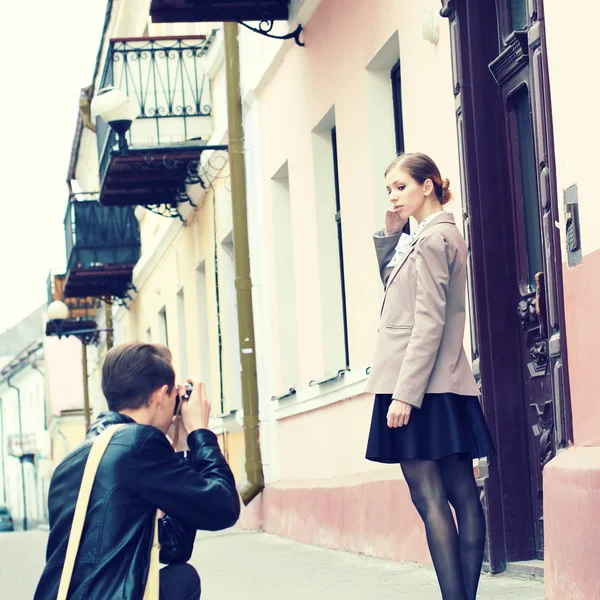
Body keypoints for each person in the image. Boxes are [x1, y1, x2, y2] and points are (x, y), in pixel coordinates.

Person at [365, 153, 495, 600]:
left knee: (431, 499)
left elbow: (427, 321)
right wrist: (389, 234)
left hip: (419, 385)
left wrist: (405, 395)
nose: (394, 196)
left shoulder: (432, 240)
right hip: (442, 386)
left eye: (400, 187)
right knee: (460, 493)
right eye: (389, 189)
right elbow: (399, 292)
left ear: (427, 186)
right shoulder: (434, 236)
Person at [34, 343, 240, 600]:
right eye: (174, 394)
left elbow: (174, 547)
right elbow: (223, 508)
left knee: (178, 577)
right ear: (160, 395)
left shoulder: (75, 460)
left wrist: (183, 449)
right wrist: (200, 433)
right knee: (182, 580)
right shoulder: (138, 445)